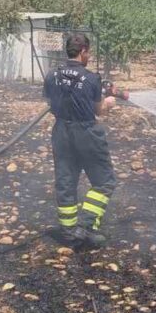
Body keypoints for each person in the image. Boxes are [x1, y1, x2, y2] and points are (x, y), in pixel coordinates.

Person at [44, 33, 117, 248]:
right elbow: (99, 110)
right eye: (88, 52)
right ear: (83, 51)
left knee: (66, 181)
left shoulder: (51, 75)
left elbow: (50, 104)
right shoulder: (92, 78)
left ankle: (68, 231)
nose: (89, 55)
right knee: (104, 182)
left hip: (60, 132)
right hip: (86, 133)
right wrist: (109, 103)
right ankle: (85, 227)